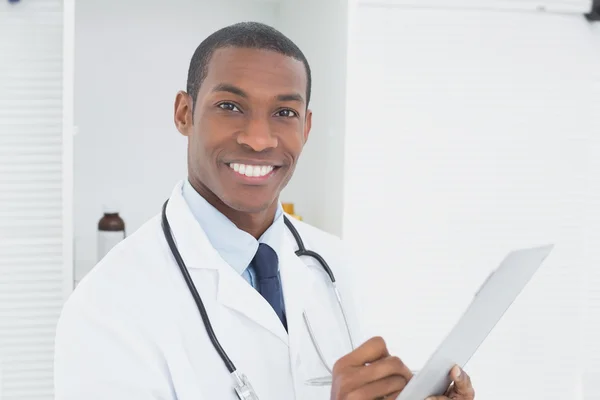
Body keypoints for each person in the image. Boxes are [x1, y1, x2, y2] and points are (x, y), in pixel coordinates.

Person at [54, 22, 476, 400]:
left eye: (284, 113)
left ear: (306, 128)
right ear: (185, 113)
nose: (258, 139)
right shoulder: (107, 306)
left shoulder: (336, 266)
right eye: (230, 107)